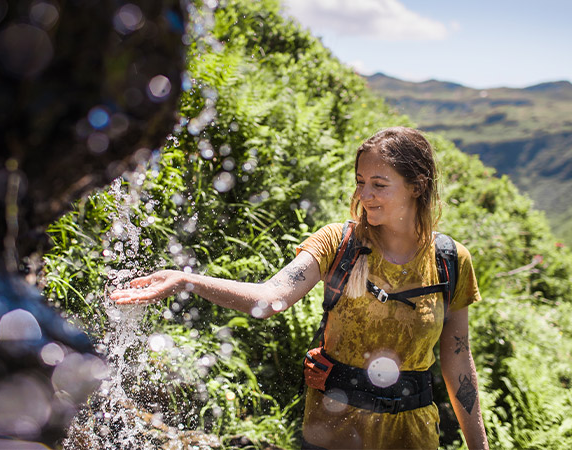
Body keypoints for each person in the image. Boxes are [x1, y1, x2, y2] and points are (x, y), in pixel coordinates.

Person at [111, 126, 489, 449]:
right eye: (360, 182)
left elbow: (458, 362)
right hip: (334, 432)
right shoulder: (337, 243)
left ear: (417, 186)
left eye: (379, 184)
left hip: (412, 436)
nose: (364, 195)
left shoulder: (450, 261)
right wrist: (187, 280)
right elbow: (271, 298)